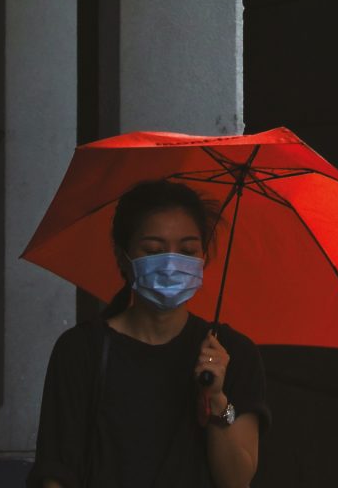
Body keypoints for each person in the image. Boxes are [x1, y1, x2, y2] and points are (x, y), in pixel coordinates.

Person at [28, 180, 270, 488]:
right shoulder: (81, 350)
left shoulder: (233, 353)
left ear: (203, 257)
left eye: (187, 250)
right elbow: (56, 471)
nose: (170, 264)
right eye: (154, 250)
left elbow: (236, 480)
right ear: (122, 256)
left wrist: (216, 400)